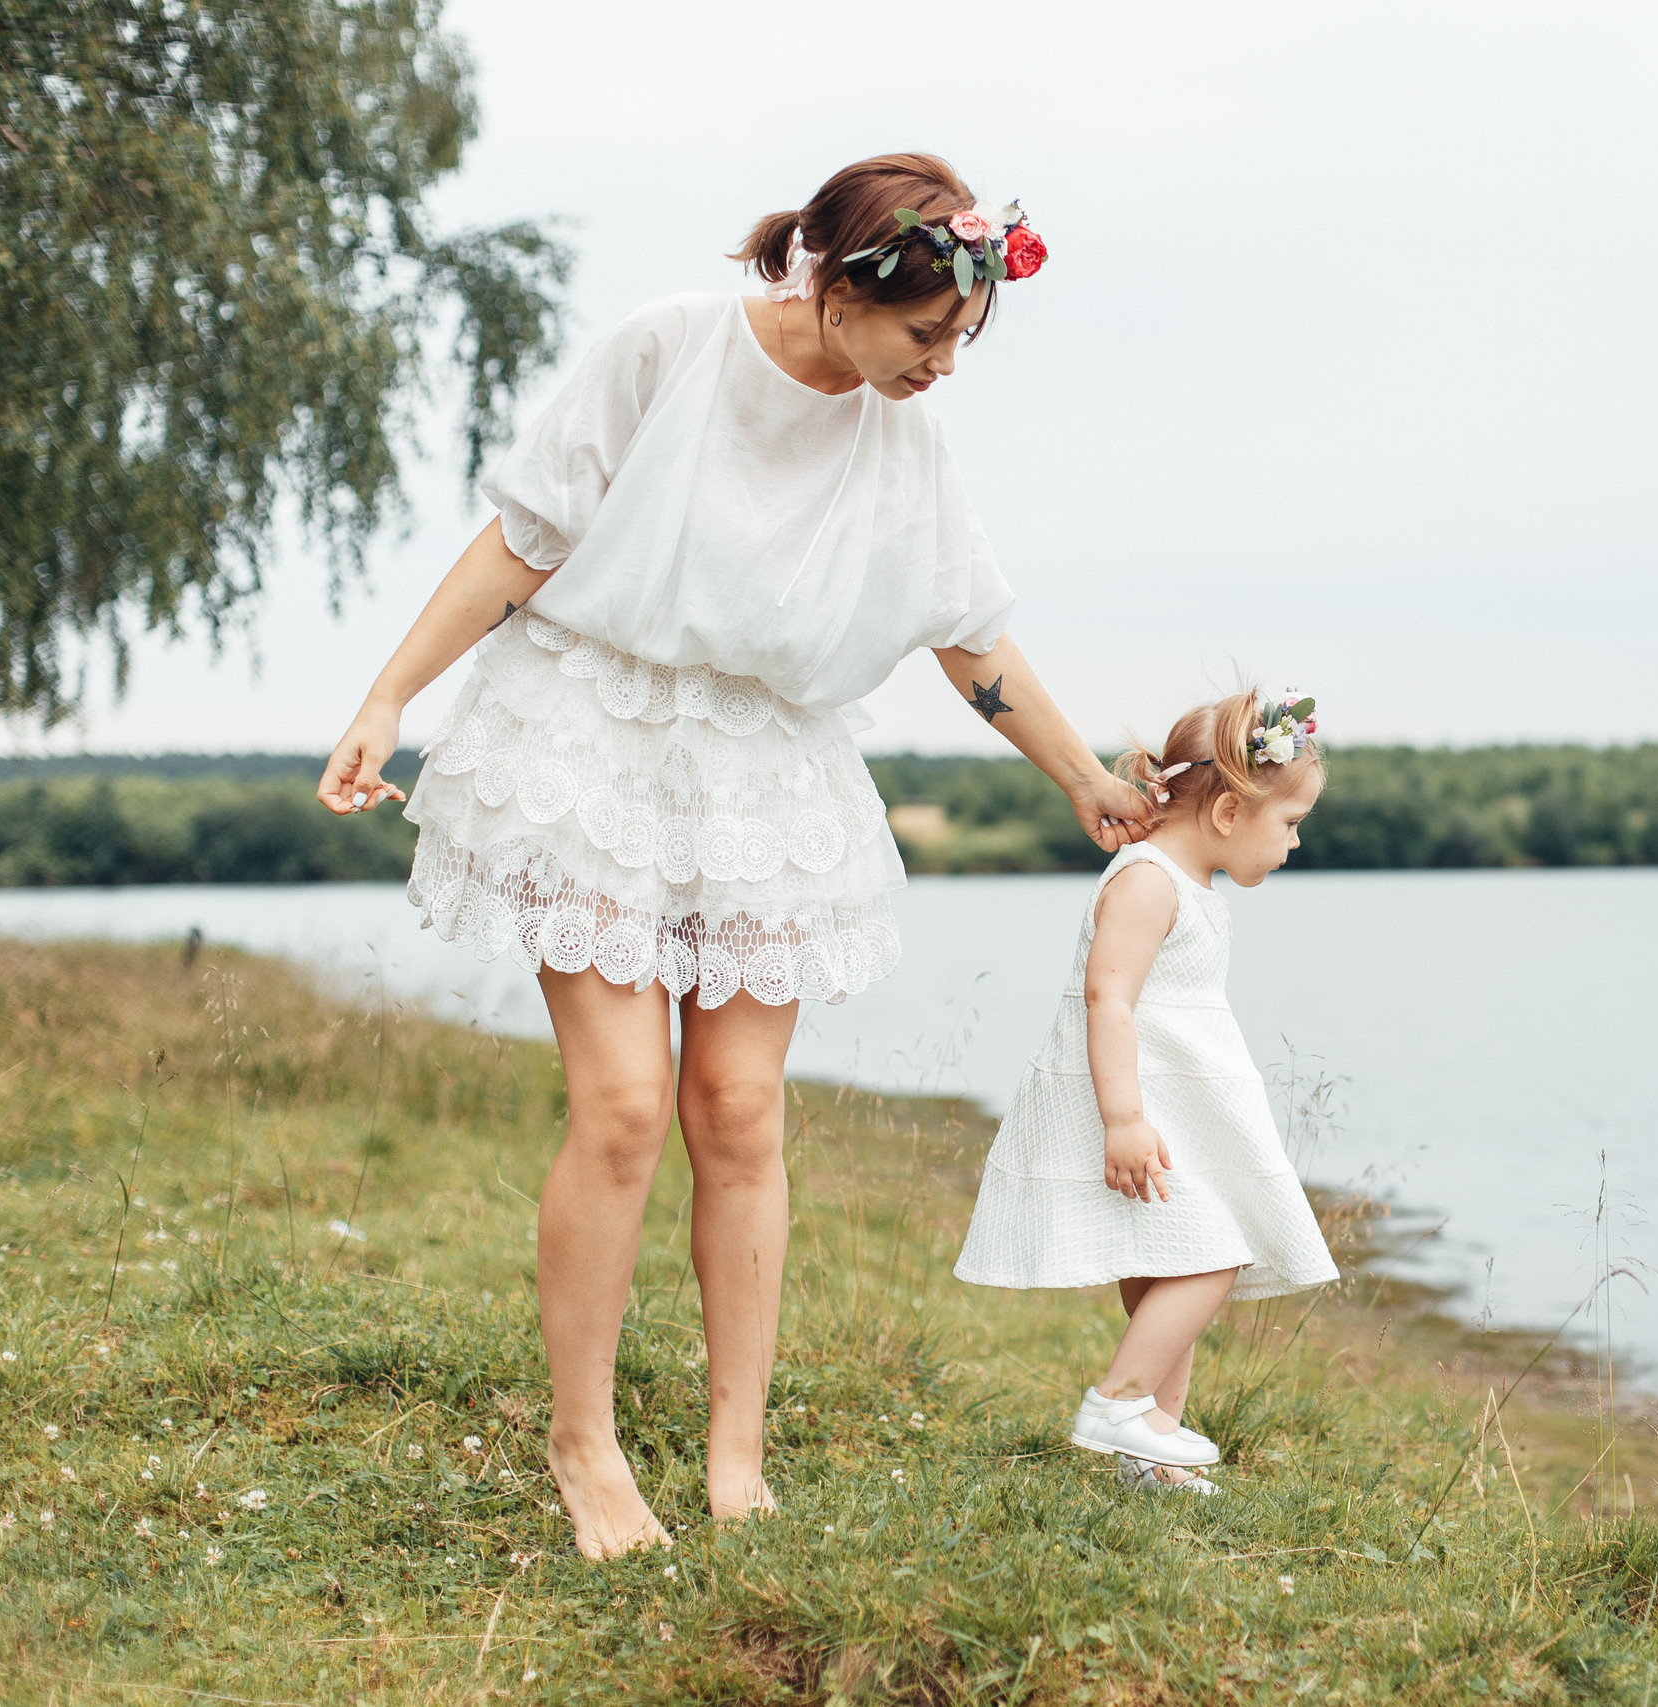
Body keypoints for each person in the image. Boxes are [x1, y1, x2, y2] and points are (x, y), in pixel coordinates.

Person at [314, 153, 1155, 1558]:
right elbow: (523, 541)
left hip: (767, 762)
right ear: (832, 283)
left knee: (743, 1113)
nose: (944, 366)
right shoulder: (666, 350)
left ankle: (735, 1457)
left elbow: (970, 633)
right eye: (925, 333)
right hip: (595, 726)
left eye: (963, 339)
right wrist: (387, 696)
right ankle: (583, 1444)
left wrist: (1082, 778)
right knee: (629, 1105)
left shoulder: (909, 436)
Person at [953, 689, 1339, 1494]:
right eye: (1290, 822)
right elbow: (1109, 999)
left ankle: (1151, 1445)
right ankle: (1119, 1402)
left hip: (1171, 1112)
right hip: (1136, 1112)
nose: (1296, 841)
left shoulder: (1188, 883)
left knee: (1168, 1264)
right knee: (1217, 1253)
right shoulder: (1149, 881)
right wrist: (1123, 1119)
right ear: (1230, 811)